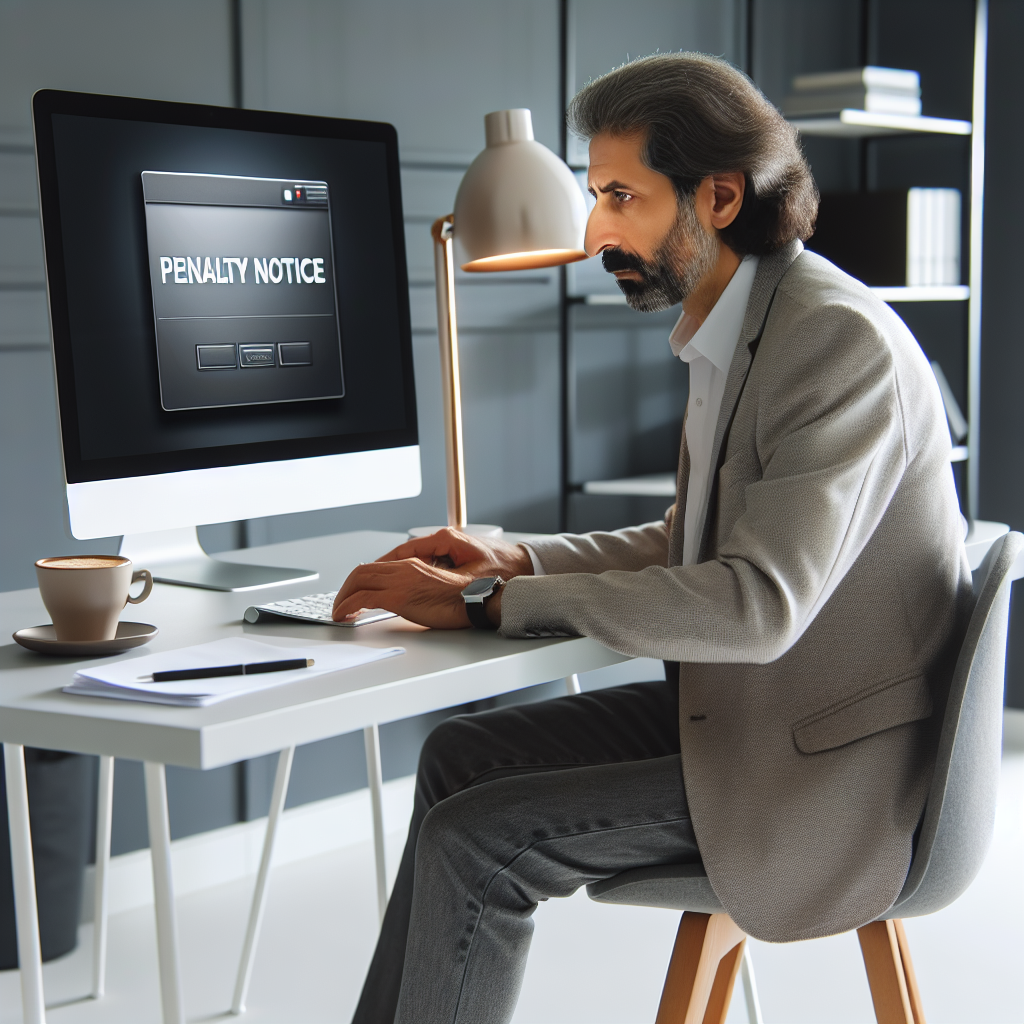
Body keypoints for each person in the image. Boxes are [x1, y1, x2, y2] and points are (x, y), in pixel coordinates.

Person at [337, 52, 970, 1024]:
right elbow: (690, 541)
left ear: (718, 196)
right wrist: (517, 559)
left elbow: (755, 602)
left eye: (621, 196)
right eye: (596, 195)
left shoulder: (830, 343)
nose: (595, 230)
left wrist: (490, 606)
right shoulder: (740, 324)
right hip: (753, 722)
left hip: (823, 779)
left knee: (476, 836)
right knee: (455, 759)